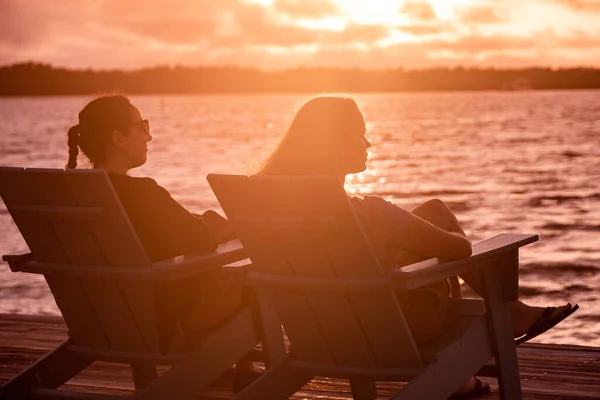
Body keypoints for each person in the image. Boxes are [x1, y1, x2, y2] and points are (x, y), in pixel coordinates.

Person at [257, 95, 579, 398]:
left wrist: (393, 248)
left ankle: (469, 374)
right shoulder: (370, 215)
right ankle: (508, 315)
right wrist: (400, 240)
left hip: (319, 331)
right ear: (334, 146)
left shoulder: (268, 209)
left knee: (433, 211)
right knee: (440, 227)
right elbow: (459, 250)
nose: (368, 143)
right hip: (392, 334)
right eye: (360, 134)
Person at [65, 94, 257, 389]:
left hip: (100, 321)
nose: (149, 136)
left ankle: (223, 368)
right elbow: (202, 239)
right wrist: (226, 228)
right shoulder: (141, 193)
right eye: (141, 127)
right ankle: (247, 375)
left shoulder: (75, 196)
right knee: (263, 283)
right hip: (160, 323)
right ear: (118, 138)